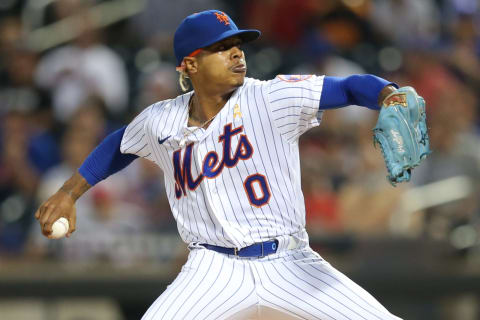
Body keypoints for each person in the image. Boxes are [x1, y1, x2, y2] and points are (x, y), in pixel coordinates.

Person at [35, 10, 404, 319]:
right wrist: (70, 191)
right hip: (212, 268)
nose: (237, 54)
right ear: (190, 63)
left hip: (290, 259)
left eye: (238, 46)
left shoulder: (270, 97)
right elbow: (119, 145)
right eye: (222, 48)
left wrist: (389, 93)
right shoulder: (159, 120)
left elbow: (350, 87)